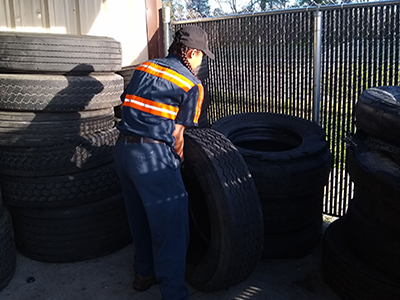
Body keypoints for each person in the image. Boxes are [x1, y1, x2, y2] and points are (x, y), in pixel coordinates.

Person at [113, 26, 214, 300]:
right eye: (201, 56)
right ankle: (174, 293)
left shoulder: (143, 68)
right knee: (172, 226)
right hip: (152, 158)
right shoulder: (191, 84)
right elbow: (178, 135)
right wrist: (177, 162)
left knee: (139, 218)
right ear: (191, 53)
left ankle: (143, 274)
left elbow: (127, 107)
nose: (201, 61)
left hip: (122, 151)